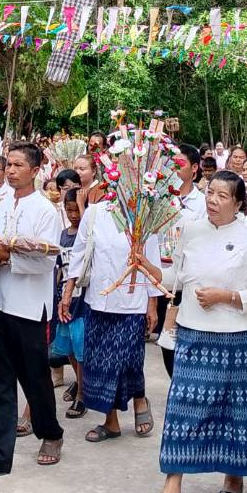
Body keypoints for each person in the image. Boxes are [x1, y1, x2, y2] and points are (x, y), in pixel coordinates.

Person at [130, 170, 247, 493]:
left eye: (223, 195)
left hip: (238, 340)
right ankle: (172, 489)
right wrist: (147, 265)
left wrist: (227, 296)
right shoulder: (192, 230)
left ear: (239, 203)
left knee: (236, 412)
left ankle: (234, 474)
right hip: (193, 333)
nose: (212, 200)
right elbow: (176, 278)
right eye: (210, 192)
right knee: (183, 409)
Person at [0, 143, 64, 476]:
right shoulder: (0, 204)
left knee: (35, 378)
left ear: (35, 171)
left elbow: (47, 261)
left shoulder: (45, 210)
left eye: (18, 165)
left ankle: (50, 433)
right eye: (9, 164)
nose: (10, 170)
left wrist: (6, 256)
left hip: (29, 306)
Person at [60, 171, 160, 444]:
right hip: (97, 301)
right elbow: (80, 255)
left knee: (126, 361)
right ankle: (111, 421)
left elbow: (154, 267)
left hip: (132, 304)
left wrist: (152, 305)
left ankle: (140, 399)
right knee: (100, 364)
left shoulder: (145, 217)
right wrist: (68, 292)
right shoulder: (94, 214)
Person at [52, 187, 86, 417]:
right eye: (69, 210)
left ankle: (83, 394)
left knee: (81, 346)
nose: (74, 214)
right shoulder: (63, 235)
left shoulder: (86, 235)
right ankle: (79, 383)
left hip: (81, 299)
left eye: (77, 210)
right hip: (63, 297)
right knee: (70, 347)